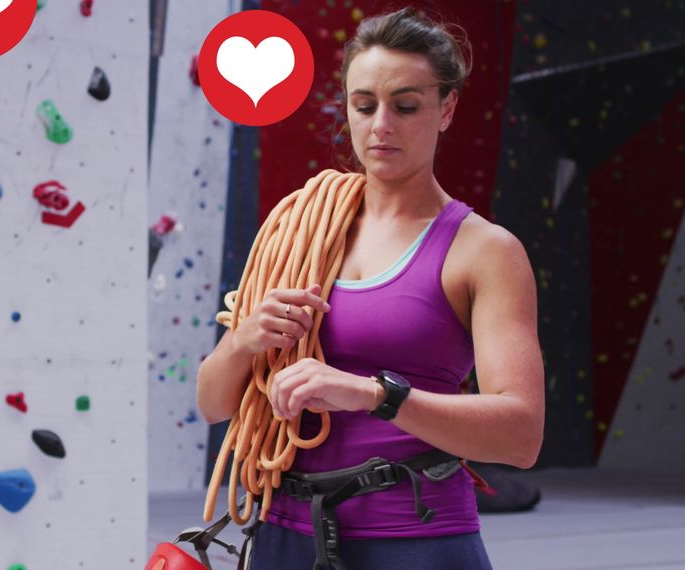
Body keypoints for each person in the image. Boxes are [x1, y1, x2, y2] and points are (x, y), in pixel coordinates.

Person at [196, 6, 545, 569]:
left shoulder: (485, 250)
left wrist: (375, 394)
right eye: (364, 105)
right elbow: (213, 404)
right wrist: (244, 341)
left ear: (447, 109)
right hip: (285, 536)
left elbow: (520, 438)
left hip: (417, 539)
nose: (381, 124)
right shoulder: (300, 225)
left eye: (406, 106)